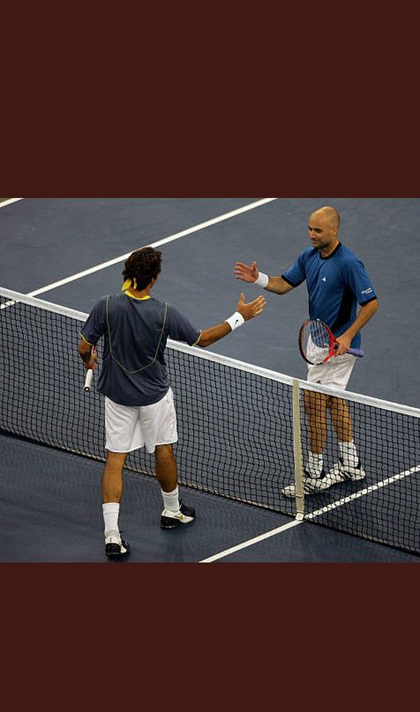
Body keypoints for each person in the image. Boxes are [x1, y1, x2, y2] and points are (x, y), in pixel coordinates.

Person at [79, 246, 266, 560]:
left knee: (115, 460)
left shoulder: (105, 306)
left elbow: (84, 346)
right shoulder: (164, 312)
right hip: (154, 397)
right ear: (153, 280)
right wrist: (240, 317)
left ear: (128, 274)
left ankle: (112, 533)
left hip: (117, 397)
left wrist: (90, 358)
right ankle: (172, 511)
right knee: (164, 449)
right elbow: (201, 339)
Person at [234, 206, 378, 495]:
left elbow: (371, 303)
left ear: (334, 231)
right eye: (310, 229)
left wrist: (348, 337)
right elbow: (284, 284)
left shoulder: (349, 263)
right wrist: (259, 278)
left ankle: (314, 473)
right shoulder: (309, 257)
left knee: (313, 405)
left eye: (318, 230)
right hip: (317, 340)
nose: (312, 235)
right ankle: (351, 463)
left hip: (338, 348)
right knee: (335, 402)